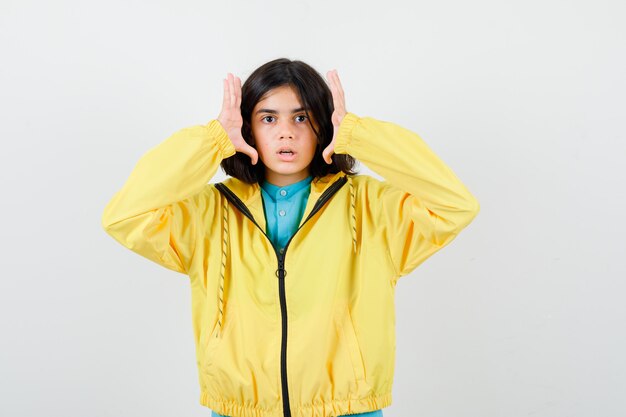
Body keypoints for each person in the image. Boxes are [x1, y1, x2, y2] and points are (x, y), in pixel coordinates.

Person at [101, 58, 480, 417]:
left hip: (348, 409)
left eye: (302, 117)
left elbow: (455, 204)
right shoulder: (209, 213)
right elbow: (124, 215)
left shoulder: (370, 207)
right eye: (268, 118)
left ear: (323, 127)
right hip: (240, 409)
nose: (286, 131)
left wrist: (359, 135)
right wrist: (212, 140)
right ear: (247, 128)